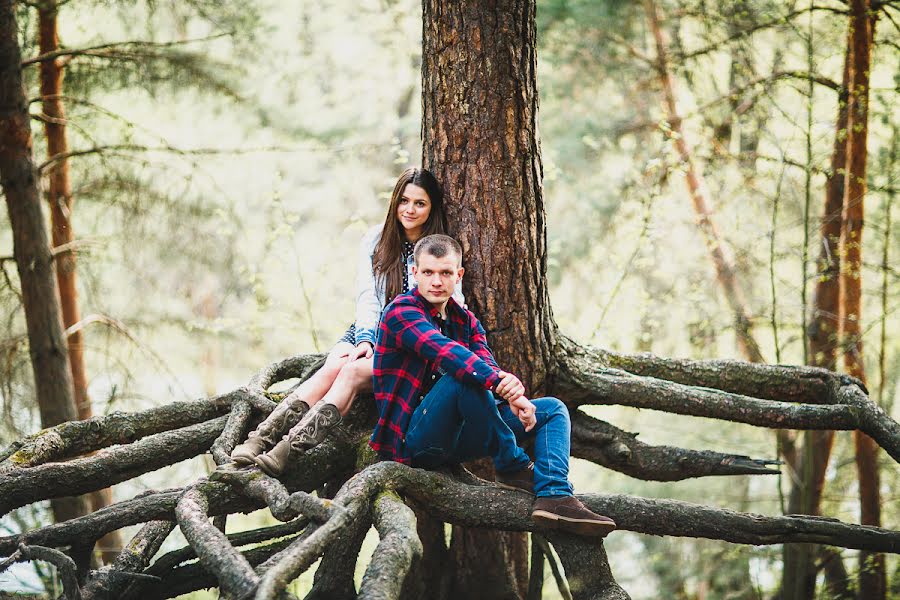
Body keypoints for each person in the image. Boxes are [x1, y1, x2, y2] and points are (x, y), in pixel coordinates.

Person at [370, 234, 617, 537]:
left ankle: (554, 495)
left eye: (445, 272)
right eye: (428, 272)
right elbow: (448, 353)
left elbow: (486, 367)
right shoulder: (401, 312)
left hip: (459, 438)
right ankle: (512, 464)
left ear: (458, 275)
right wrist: (500, 382)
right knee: (461, 379)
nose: (436, 281)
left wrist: (514, 398)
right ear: (414, 274)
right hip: (414, 442)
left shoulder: (466, 321)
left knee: (552, 409)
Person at [230, 167, 462, 476]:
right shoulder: (376, 239)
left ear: (431, 207)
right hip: (372, 327)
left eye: (419, 203)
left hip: (412, 344)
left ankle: (288, 449)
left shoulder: (437, 249)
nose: (409, 209)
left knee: (351, 370)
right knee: (334, 363)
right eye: (403, 201)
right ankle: (260, 440)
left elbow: (451, 304)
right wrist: (365, 339)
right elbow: (368, 296)